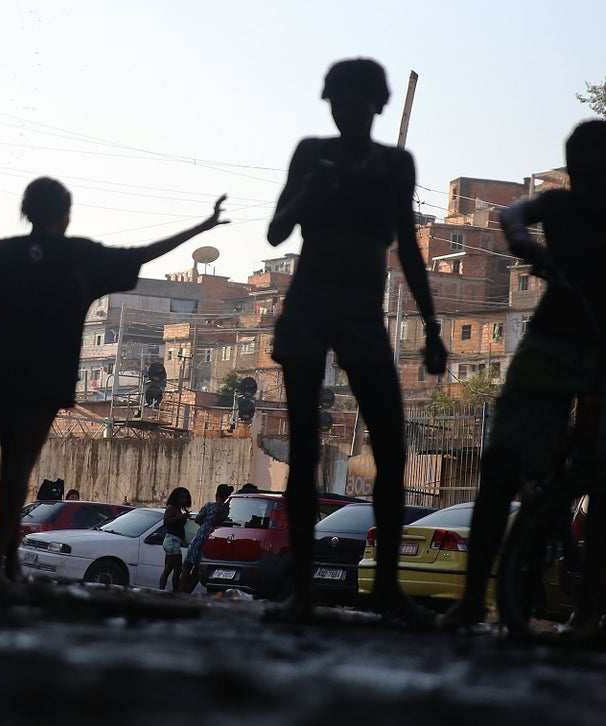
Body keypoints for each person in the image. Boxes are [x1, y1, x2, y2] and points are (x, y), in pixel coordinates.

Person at [0, 177, 229, 582]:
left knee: (14, 461)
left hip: (3, 366)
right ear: (66, 214)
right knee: (19, 464)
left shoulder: (6, 252)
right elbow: (144, 253)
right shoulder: (80, 255)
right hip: (47, 372)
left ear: (27, 210)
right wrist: (202, 226)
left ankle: (8, 560)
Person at [265, 58, 447, 622]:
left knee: (391, 448)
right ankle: (301, 592)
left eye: (355, 101)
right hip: (309, 306)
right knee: (302, 451)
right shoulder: (311, 154)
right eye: (337, 102)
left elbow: (409, 248)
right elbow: (276, 231)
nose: (344, 112)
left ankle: (386, 587)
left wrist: (432, 328)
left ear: (377, 104)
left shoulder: (395, 163)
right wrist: (310, 190)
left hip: (362, 313)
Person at [441, 119, 606, 630]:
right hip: (557, 346)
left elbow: (512, 214)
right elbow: (510, 213)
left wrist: (526, 242)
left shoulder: (562, 205)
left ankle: (487, 599)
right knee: (504, 469)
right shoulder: (560, 206)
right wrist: (524, 243)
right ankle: (485, 599)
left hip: (569, 347)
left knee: (513, 471)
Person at [181, 484, 233, 593]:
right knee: (197, 570)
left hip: (201, 537)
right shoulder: (226, 510)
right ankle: (187, 593)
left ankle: (180, 592)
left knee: (186, 566)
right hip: (213, 538)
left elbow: (197, 519)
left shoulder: (209, 506)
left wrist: (204, 523)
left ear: (216, 494)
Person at [159, 487, 192, 592]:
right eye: (181, 497)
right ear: (176, 498)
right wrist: (181, 517)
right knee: (177, 569)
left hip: (174, 541)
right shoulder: (171, 508)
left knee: (169, 568)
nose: (184, 500)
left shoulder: (179, 509)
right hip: (172, 541)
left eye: (185, 498)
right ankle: (174, 592)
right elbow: (166, 521)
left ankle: (163, 590)